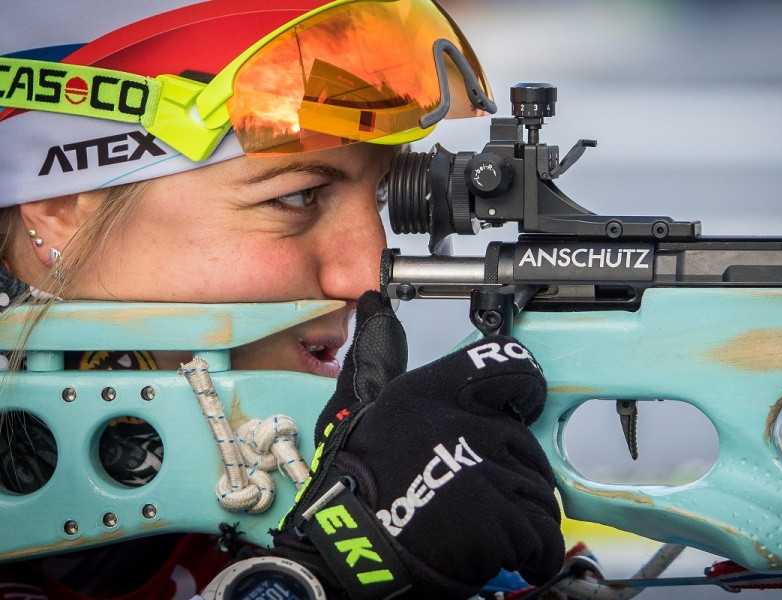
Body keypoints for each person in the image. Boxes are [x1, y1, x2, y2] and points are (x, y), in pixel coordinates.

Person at [0, 0, 564, 598]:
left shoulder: (252, 478)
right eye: (296, 197)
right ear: (60, 209)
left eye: (379, 197)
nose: (367, 277)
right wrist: (332, 571)